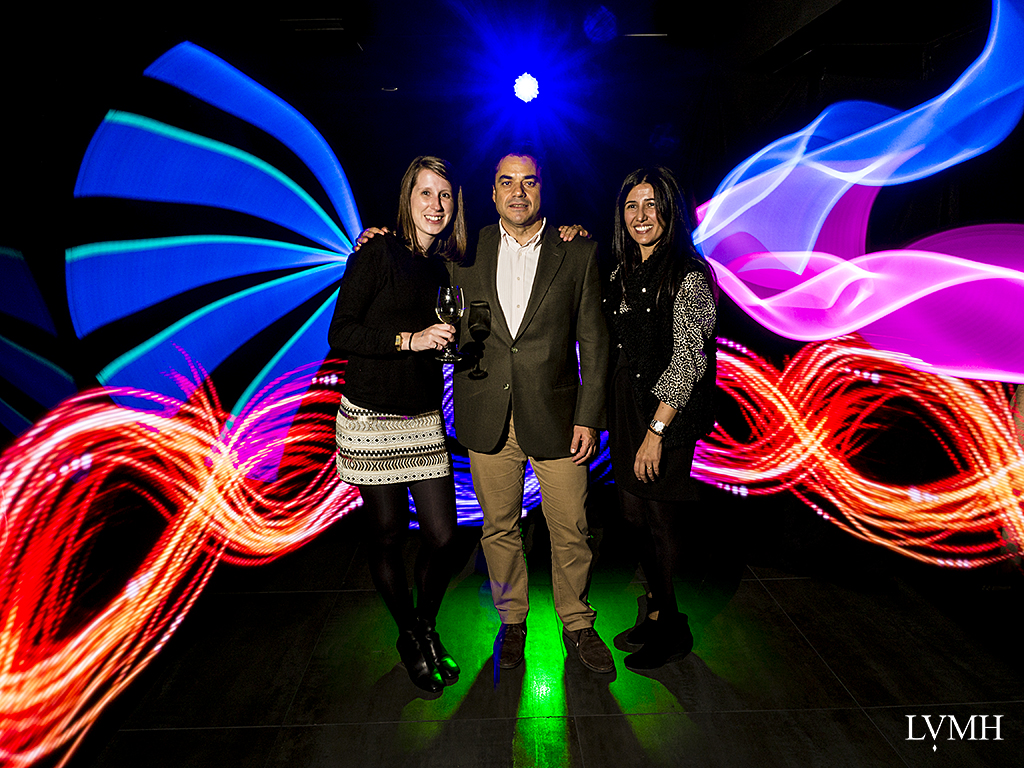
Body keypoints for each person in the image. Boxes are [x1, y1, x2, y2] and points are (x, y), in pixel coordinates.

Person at [451, 151, 613, 674]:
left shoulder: (578, 251)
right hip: (488, 413)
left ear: (542, 189)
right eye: (507, 182)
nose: (517, 192)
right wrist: (377, 236)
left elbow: (595, 341)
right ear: (492, 192)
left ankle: (578, 623)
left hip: (559, 418)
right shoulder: (464, 250)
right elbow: (415, 251)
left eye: (528, 182)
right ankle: (512, 621)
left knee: (572, 528)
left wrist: (588, 416)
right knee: (498, 529)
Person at [328, 156, 466, 693]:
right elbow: (341, 332)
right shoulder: (377, 252)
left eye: (445, 195)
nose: (435, 204)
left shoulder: (440, 269)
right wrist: (411, 341)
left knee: (443, 536)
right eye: (425, 192)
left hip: (422, 418)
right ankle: (411, 635)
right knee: (386, 535)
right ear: (408, 197)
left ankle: (422, 628)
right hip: (370, 417)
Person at [603, 166, 718, 671]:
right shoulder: (621, 272)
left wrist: (656, 431)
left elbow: (689, 359)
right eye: (632, 205)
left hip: (665, 416)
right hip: (627, 407)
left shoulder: (688, 274)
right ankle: (654, 612)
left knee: (659, 519)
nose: (641, 215)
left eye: (652, 204)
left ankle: (672, 627)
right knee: (633, 516)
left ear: (669, 211)